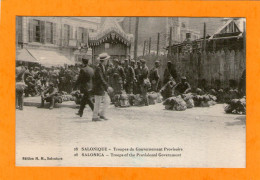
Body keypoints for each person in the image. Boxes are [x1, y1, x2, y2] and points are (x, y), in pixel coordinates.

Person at [92, 53, 113, 121]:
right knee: (98, 102)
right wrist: (107, 87)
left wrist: (106, 86)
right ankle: (95, 117)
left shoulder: (103, 67)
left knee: (107, 100)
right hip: (98, 87)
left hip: (102, 87)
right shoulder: (98, 68)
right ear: (104, 60)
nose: (108, 61)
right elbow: (101, 79)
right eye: (107, 60)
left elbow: (104, 78)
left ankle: (102, 114)